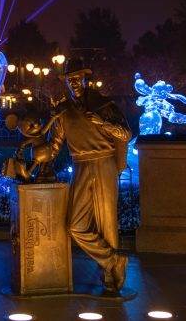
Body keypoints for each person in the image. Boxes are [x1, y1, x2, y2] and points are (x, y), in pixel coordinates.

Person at [46, 66, 131, 295]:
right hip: (80, 165)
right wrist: (33, 152)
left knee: (107, 221)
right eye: (69, 79)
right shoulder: (63, 111)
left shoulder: (104, 105)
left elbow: (125, 134)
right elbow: (54, 146)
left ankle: (109, 274)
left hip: (104, 163)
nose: (73, 82)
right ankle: (113, 260)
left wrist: (103, 123)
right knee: (75, 226)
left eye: (77, 78)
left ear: (85, 79)